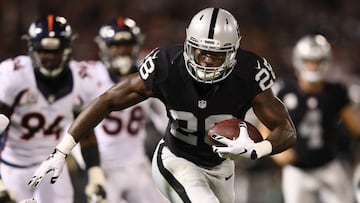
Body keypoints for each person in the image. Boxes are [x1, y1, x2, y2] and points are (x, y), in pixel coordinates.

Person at [28, 7, 296, 203]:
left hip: (222, 166)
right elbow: (107, 100)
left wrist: (256, 150)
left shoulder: (249, 73)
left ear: (233, 53)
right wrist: (61, 151)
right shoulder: (167, 66)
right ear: (188, 43)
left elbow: (286, 129)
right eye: (199, 50)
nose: (204, 61)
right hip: (177, 158)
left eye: (215, 55)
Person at [0, 14, 107, 203]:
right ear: (32, 48)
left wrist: (95, 173)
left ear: (67, 49)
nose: (49, 57)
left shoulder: (82, 78)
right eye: (43, 51)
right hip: (13, 167)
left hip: (53, 165)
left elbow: (86, 132)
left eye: (55, 51)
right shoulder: (13, 75)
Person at [259, 34, 360, 203]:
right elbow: (265, 125)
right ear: (299, 61)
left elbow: (355, 127)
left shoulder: (336, 92)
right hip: (297, 169)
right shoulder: (284, 91)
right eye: (309, 61)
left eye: (318, 61)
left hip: (329, 164)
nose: (313, 66)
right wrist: (275, 152)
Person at [90, 16, 168, 203]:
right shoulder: (90, 76)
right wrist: (90, 166)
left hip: (137, 164)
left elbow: (166, 119)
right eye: (115, 45)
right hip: (104, 166)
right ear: (103, 47)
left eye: (127, 44)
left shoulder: (147, 75)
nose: (122, 50)